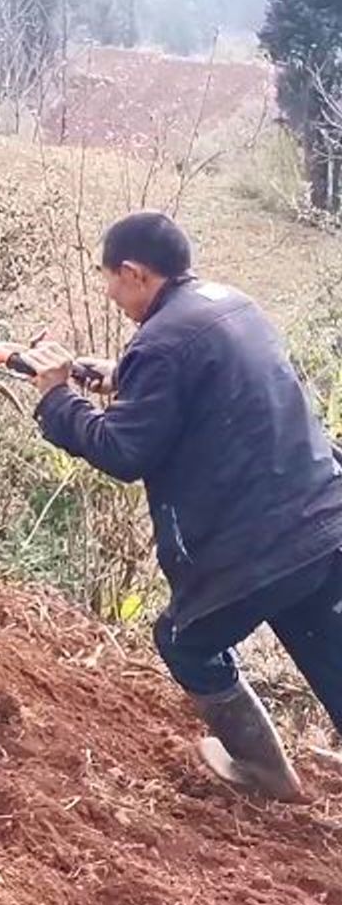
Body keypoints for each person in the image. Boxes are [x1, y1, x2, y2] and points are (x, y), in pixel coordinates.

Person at [20, 211, 342, 801]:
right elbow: (216, 385)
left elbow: (123, 453)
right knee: (323, 641)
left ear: (135, 272)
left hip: (261, 540)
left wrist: (56, 400)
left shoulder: (163, 342)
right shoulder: (231, 305)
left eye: (111, 281)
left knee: (184, 638)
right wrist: (122, 377)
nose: (111, 295)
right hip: (323, 516)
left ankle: (267, 773)